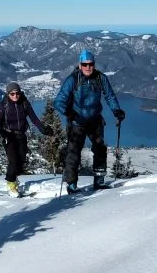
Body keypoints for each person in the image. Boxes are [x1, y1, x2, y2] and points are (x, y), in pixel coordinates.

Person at [53, 50, 125, 194]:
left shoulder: (100, 78)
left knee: (100, 149)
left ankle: (99, 181)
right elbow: (58, 102)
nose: (88, 67)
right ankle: (72, 184)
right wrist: (69, 113)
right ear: (80, 65)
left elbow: (109, 95)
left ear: (94, 65)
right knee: (73, 152)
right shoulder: (72, 80)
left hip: (95, 120)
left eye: (90, 64)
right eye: (84, 64)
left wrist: (116, 110)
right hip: (76, 122)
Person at [0, 82, 52, 197]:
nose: (15, 96)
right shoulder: (3, 105)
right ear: (8, 94)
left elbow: (34, 118)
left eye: (17, 93)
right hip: (8, 136)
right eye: (12, 94)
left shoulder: (24, 103)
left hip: (21, 135)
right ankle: (11, 184)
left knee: (21, 160)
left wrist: (43, 129)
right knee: (13, 161)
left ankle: (14, 178)